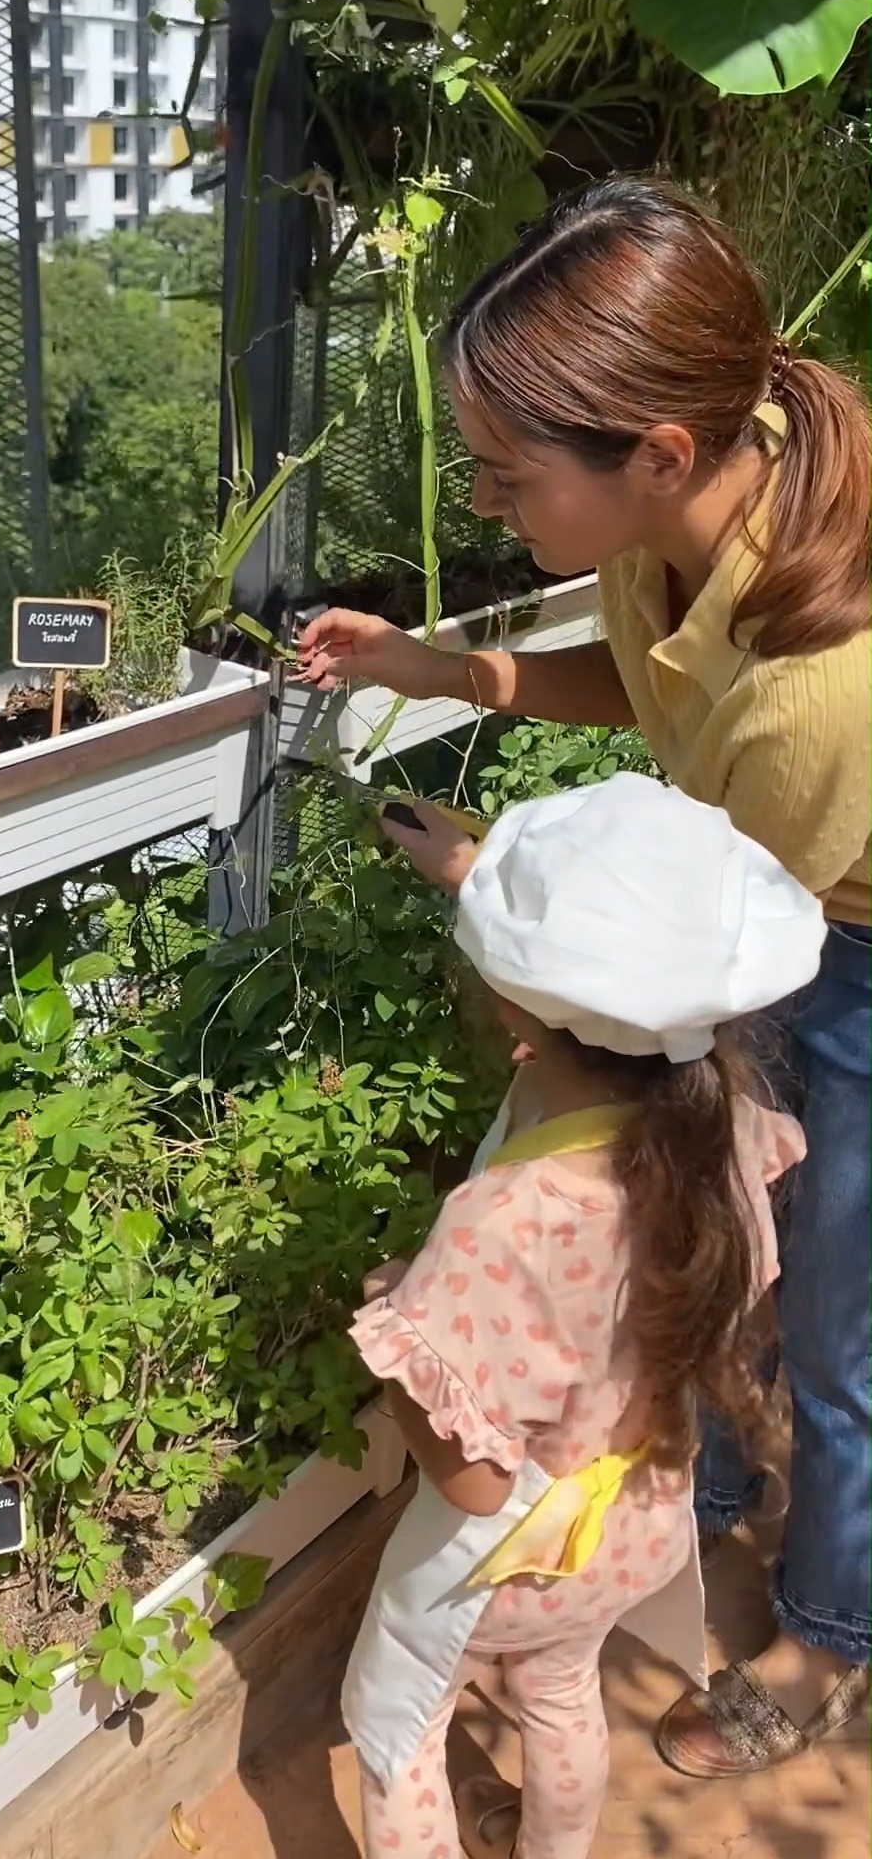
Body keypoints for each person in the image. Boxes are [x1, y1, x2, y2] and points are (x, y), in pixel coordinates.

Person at [297, 176, 871, 1776]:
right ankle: (686, 1507)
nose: (485, 500)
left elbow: (700, 947)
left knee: (837, 1327)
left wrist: (497, 883)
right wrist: (439, 666)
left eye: (504, 473)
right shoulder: (670, 531)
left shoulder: (829, 687)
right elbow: (646, 692)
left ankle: (825, 1631)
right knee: (725, 1250)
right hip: (758, 901)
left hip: (843, 941)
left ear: (659, 454)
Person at [343, 772, 826, 1859]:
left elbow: (469, 1479)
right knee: (560, 1691)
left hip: (515, 1546)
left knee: (393, 1720)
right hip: (642, 1517)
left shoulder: (507, 1216)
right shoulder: (732, 1130)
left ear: (509, 1005)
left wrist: (395, 1333)